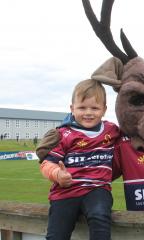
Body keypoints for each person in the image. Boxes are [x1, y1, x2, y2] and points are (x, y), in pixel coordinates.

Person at [39, 79, 119, 240]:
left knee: (100, 216)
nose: (88, 112)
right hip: (66, 191)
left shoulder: (112, 130)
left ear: (104, 110)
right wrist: (57, 175)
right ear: (72, 109)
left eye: (95, 108)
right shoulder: (63, 134)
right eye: (82, 107)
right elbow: (46, 163)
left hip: (97, 189)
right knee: (56, 235)